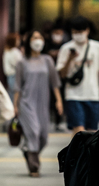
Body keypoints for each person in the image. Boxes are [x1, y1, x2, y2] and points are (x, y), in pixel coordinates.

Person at [13, 31, 63, 177]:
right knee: (33, 132)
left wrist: (59, 100)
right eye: (34, 38)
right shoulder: (21, 62)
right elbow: (17, 86)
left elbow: (55, 83)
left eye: (40, 37)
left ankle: (28, 151)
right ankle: (34, 166)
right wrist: (15, 105)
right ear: (28, 41)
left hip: (43, 103)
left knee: (43, 137)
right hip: (26, 103)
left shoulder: (47, 60)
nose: (38, 40)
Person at [57, 16, 99, 133]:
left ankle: (83, 152)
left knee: (92, 132)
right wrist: (69, 59)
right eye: (75, 32)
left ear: (87, 30)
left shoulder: (97, 47)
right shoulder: (66, 48)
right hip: (73, 95)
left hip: (93, 95)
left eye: (80, 32)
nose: (78, 34)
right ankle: (78, 151)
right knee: (79, 131)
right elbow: (62, 74)